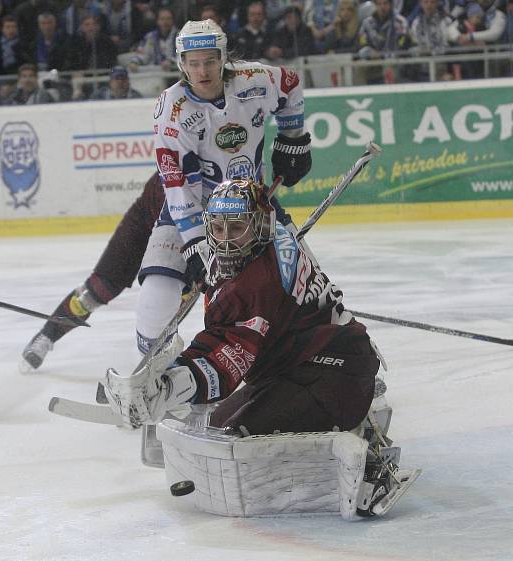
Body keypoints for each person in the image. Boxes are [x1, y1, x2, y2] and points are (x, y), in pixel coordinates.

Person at [104, 178, 379, 438]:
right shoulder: (274, 239)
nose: (224, 240)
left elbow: (228, 356)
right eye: (218, 228)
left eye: (236, 228)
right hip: (296, 366)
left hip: (332, 374)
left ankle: (352, 435)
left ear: (259, 226)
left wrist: (171, 385)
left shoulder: (253, 284)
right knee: (213, 427)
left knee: (235, 438)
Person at [136, 18, 311, 354]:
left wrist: (295, 139)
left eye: (211, 61)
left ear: (223, 57)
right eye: (194, 63)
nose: (203, 71)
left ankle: (339, 354)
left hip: (254, 206)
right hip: (196, 210)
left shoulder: (255, 79)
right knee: (156, 292)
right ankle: (158, 372)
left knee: (304, 283)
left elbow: (290, 85)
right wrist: (197, 246)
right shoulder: (172, 111)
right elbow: (178, 186)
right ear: (182, 64)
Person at [20, 172, 164, 371]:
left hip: (185, 232)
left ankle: (171, 359)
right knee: (96, 291)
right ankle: (46, 336)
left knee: (174, 295)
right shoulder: (177, 149)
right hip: (143, 222)